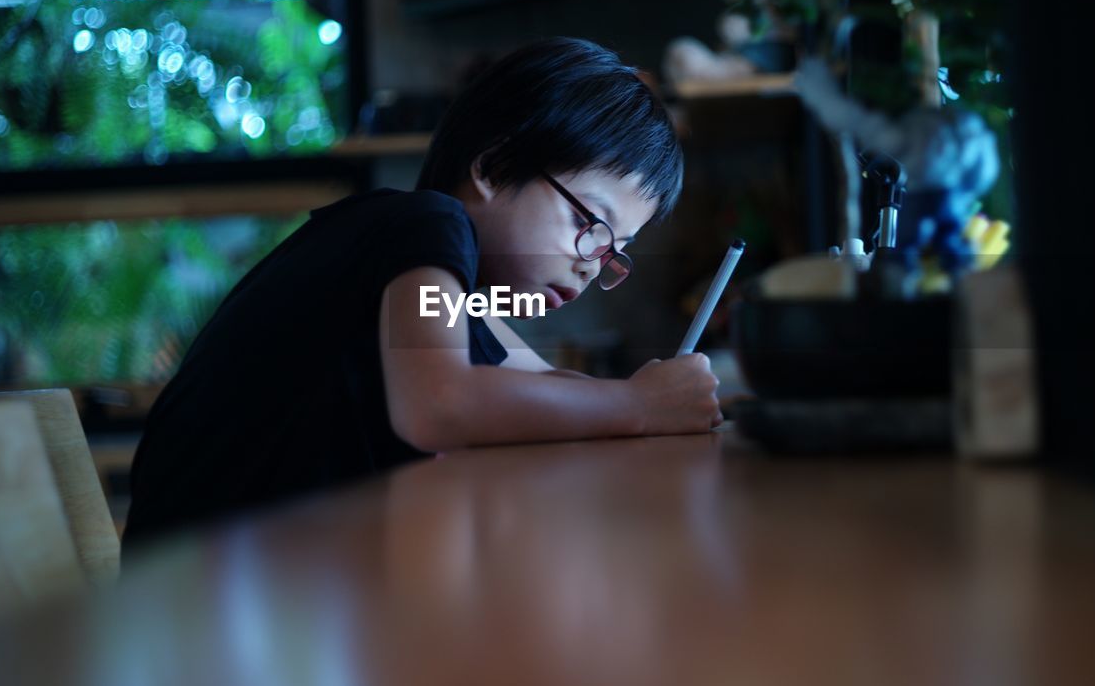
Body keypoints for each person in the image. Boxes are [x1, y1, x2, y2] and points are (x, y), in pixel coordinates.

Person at [121, 37, 722, 552]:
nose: (595, 264)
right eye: (590, 224)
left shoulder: (455, 295)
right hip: (203, 607)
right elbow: (439, 404)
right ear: (492, 168)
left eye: (615, 250)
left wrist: (648, 401)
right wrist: (640, 406)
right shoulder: (424, 223)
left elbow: (543, 382)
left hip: (265, 593)